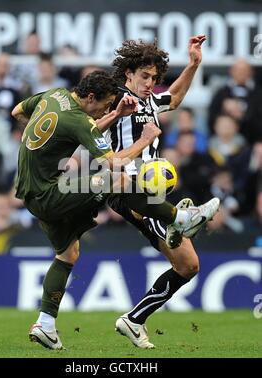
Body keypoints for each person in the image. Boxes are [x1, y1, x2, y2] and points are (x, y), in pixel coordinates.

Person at [12, 69, 218, 351]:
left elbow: (17, 112)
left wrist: (109, 117)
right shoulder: (79, 120)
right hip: (50, 193)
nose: (106, 110)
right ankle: (180, 218)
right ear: (91, 97)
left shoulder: (54, 95)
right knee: (119, 179)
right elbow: (113, 163)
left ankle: (45, 325)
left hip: (30, 192)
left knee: (67, 254)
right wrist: (144, 140)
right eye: (106, 105)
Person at [96, 36, 220, 349]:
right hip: (127, 187)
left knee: (188, 265)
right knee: (184, 254)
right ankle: (182, 219)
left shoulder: (152, 101)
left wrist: (193, 65)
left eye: (154, 78)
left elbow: (174, 98)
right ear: (128, 74)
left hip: (150, 190)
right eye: (144, 76)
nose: (150, 83)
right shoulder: (116, 99)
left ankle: (134, 319)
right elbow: (91, 127)